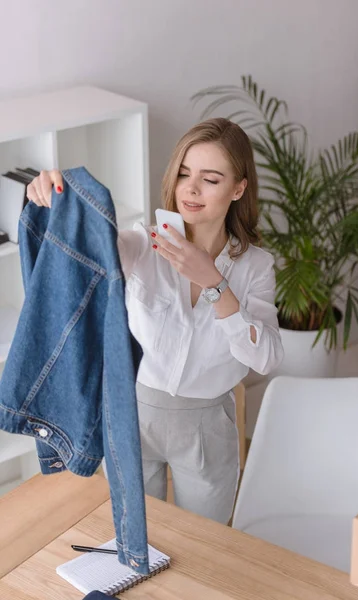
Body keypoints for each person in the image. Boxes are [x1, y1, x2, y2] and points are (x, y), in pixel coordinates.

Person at [26, 117, 284, 525]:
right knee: (133, 532)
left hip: (207, 424)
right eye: (183, 173)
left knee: (204, 542)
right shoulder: (141, 244)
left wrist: (215, 284)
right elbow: (84, 247)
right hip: (134, 412)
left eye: (210, 179)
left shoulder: (256, 267)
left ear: (239, 188)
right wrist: (54, 196)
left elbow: (267, 358)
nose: (191, 189)